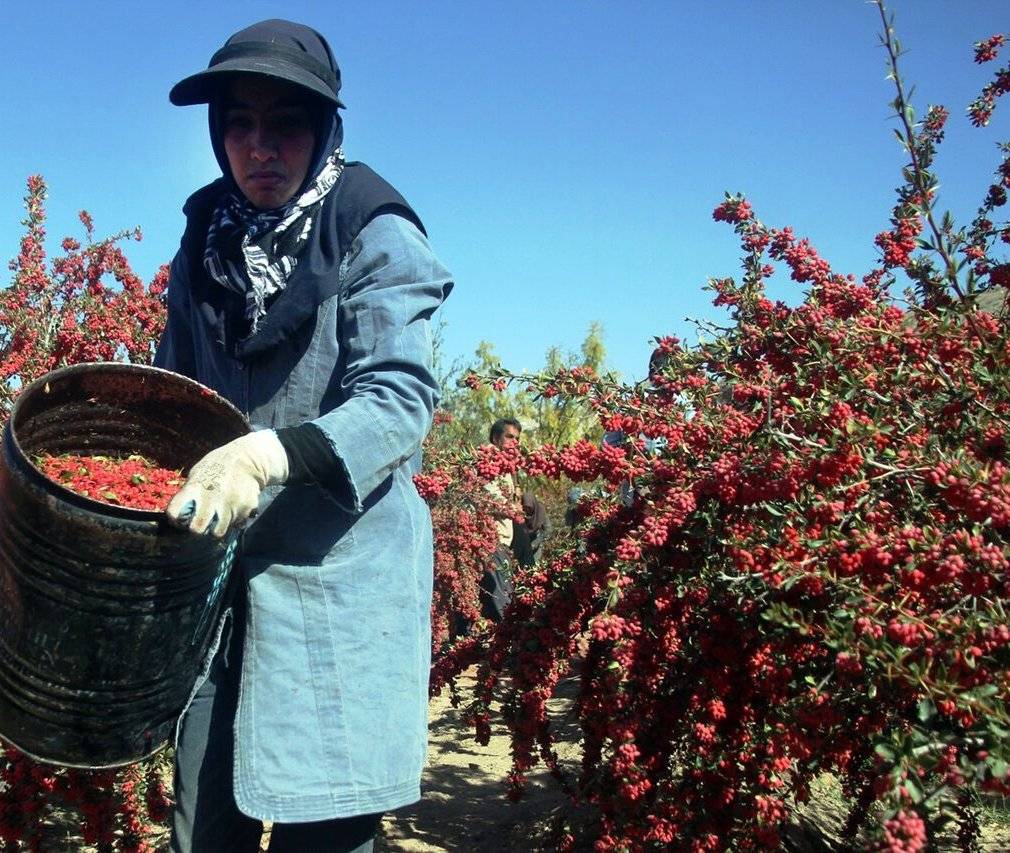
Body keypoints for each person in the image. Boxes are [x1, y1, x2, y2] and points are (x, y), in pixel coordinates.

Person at [153, 19, 453, 853]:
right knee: (201, 820)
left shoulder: (374, 230)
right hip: (222, 578)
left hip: (338, 581)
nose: (260, 147)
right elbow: (172, 397)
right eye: (239, 124)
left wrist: (267, 452)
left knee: (324, 830)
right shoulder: (204, 240)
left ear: (323, 131)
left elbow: (397, 399)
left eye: (285, 123)